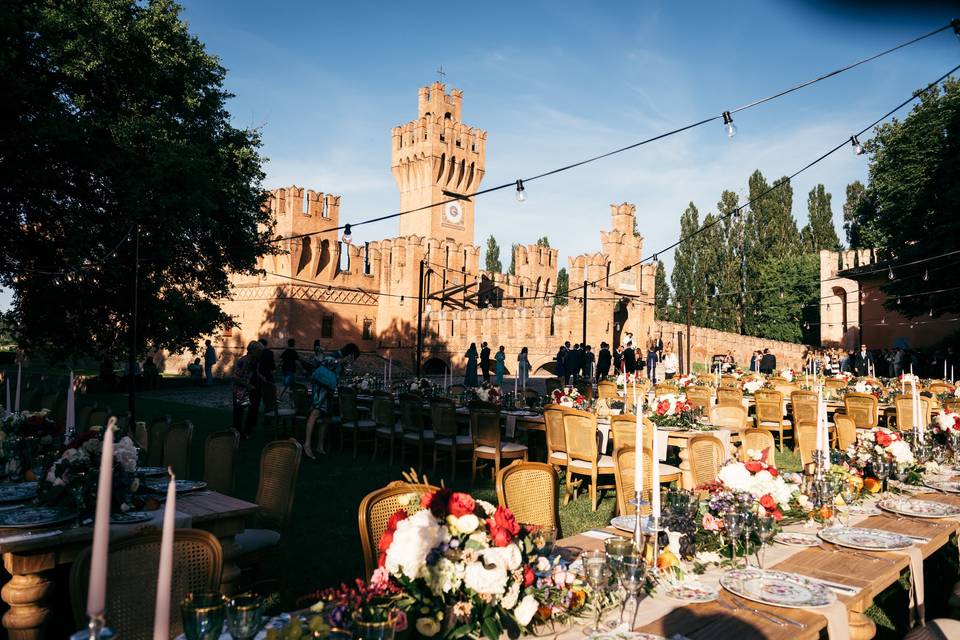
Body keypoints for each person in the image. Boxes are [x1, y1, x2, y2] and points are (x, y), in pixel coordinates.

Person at [303, 343, 360, 459]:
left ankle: (320, 446)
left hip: (329, 389)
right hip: (321, 388)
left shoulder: (342, 361)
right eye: (353, 357)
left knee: (327, 418)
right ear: (350, 354)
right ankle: (307, 444)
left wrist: (342, 365)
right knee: (315, 413)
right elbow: (324, 362)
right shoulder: (335, 356)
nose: (353, 360)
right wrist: (340, 361)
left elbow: (338, 374)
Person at [231, 341, 263, 435]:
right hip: (239, 390)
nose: (261, 353)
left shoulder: (255, 361)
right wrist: (248, 385)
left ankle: (246, 431)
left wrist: (262, 378)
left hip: (247, 390)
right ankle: (237, 433)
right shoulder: (243, 361)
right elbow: (235, 378)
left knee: (252, 410)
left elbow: (255, 373)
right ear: (253, 350)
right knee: (238, 413)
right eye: (259, 351)